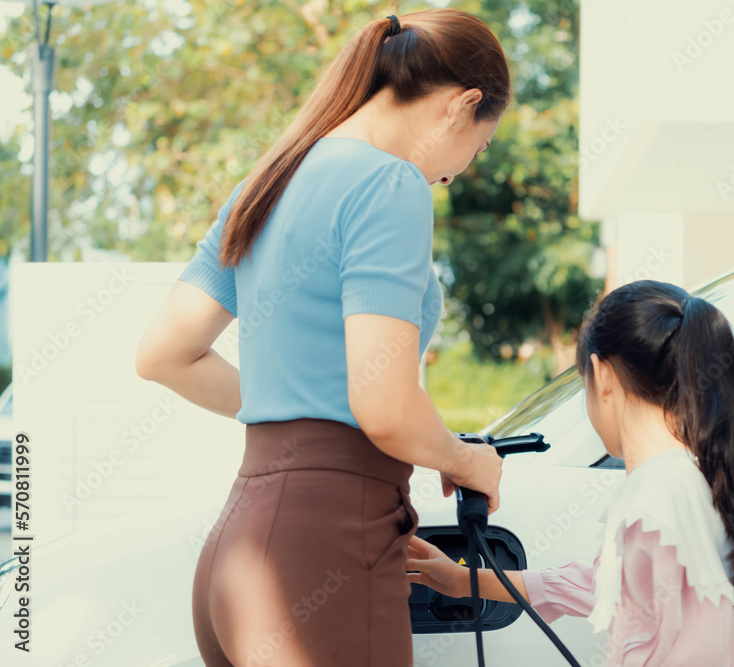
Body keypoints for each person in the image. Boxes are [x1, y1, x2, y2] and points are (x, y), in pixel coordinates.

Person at [134, 9, 511, 666]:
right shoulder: (390, 182)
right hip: (322, 550)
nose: (458, 172)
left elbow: (165, 354)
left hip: (239, 552)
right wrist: (466, 459)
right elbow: (386, 408)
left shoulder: (270, 179)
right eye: (478, 148)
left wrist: (301, 409)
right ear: (463, 105)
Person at [405, 280, 734, 666]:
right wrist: (463, 581)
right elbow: (607, 585)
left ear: (601, 376)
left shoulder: (662, 495)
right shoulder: (678, 481)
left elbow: (692, 651)